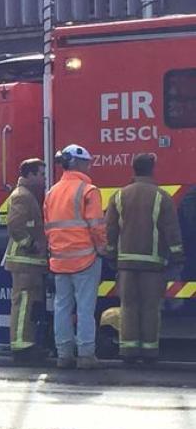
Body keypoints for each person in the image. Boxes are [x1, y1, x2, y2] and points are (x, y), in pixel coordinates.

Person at [104, 154, 184, 364]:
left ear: (133, 169)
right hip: (153, 264)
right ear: (152, 169)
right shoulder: (162, 197)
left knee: (128, 307)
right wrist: (177, 257)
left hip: (126, 265)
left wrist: (111, 255)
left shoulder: (119, 196)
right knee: (150, 307)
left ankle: (129, 352)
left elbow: (110, 230)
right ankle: (149, 353)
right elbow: (171, 231)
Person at [44, 144, 107, 370]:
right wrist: (102, 248)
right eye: (87, 162)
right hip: (85, 259)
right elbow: (97, 226)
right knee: (85, 308)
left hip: (59, 260)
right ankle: (86, 355)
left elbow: (48, 226)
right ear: (78, 163)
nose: (89, 166)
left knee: (62, 307)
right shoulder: (88, 190)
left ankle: (64, 354)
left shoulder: (51, 192)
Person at [2, 158, 49, 364]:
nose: (44, 178)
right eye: (41, 173)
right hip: (24, 261)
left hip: (29, 263)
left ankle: (27, 343)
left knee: (28, 305)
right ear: (29, 175)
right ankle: (21, 347)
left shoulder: (27, 195)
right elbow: (14, 225)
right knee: (23, 305)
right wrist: (30, 244)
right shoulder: (22, 196)